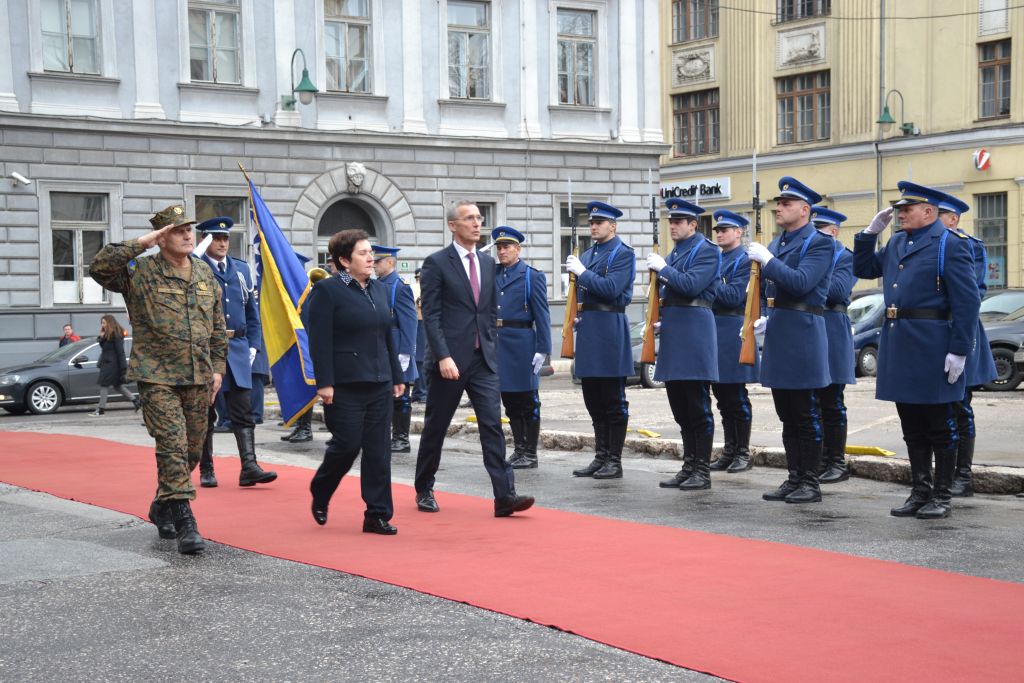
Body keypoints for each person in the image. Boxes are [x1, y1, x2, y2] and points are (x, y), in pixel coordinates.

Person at [90, 204, 227, 554]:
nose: (187, 235)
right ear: (162, 237)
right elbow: (99, 267)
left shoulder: (204, 273)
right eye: (177, 230)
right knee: (172, 444)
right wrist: (143, 242)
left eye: (188, 229)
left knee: (191, 451)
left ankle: (162, 505)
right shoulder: (140, 271)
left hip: (197, 376)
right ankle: (186, 522)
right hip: (157, 376)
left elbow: (217, 327)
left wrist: (217, 369)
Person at [853, 181, 980, 519]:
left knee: (939, 424)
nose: (900, 214)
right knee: (911, 424)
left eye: (906, 209)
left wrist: (959, 350)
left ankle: (942, 495)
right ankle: (920, 491)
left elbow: (967, 302)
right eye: (899, 209)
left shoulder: (949, 244)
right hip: (899, 341)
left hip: (932, 342)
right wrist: (869, 234)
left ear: (929, 212)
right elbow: (864, 269)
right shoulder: (897, 242)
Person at [414, 200, 535, 517]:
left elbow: (488, 311)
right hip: (450, 362)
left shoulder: (486, 263)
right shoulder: (436, 263)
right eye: (469, 218)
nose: (477, 223)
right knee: (436, 426)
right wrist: (442, 356)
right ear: (453, 225)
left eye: (479, 217)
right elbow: (431, 316)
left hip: (483, 361)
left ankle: (504, 496)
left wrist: (490, 346)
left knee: (492, 425)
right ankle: (424, 487)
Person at [308, 229, 404, 535]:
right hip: (345, 384)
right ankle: (322, 489)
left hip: (379, 381)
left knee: (378, 451)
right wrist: (325, 382)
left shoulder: (378, 289)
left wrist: (397, 375)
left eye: (370, 252)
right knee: (347, 445)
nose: (370, 257)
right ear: (344, 261)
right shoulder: (328, 290)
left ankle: (377, 514)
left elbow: (387, 335)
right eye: (363, 253)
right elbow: (319, 340)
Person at [745, 176, 834, 505]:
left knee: (805, 412)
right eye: (778, 203)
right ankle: (794, 476)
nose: (779, 208)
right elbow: (765, 287)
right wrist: (761, 313)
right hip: (780, 330)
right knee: (786, 413)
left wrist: (768, 262)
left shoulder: (820, 243)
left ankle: (810, 481)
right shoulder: (776, 243)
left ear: (805, 209)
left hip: (804, 332)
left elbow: (801, 283)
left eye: (786, 204)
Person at [196, 217, 277, 489]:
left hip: (238, 349)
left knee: (243, 411)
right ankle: (207, 468)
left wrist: (253, 345)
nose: (222, 243)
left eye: (225, 239)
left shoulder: (240, 269)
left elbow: (252, 312)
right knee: (206, 413)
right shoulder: (196, 268)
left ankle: (249, 466)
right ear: (205, 241)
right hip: (208, 350)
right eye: (216, 238)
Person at [646, 198, 720, 490]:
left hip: (695, 334)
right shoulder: (675, 253)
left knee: (697, 406)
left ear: (693, 224)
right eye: (671, 222)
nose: (673, 226)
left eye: (678, 222)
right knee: (680, 408)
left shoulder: (707, 250)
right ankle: (689, 466)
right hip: (676, 333)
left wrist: (663, 269)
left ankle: (702, 470)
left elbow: (691, 286)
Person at [567, 201, 636, 480]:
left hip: (609, 327)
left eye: (599, 223)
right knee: (593, 398)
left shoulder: (623, 253)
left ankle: (614, 460)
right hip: (589, 328)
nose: (593, 227)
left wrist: (582, 273)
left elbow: (610, 289)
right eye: (591, 223)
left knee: (612, 399)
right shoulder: (588, 253)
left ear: (613, 226)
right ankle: (601, 455)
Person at [937, 192, 996, 498]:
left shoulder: (968, 245)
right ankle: (944, 471)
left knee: (960, 405)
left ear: (953, 219)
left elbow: (973, 291)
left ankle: (963, 475)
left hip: (962, 328)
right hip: (934, 331)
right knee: (938, 407)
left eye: (939, 216)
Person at [492, 226, 551, 469]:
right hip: (499, 343)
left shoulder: (531, 276)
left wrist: (543, 348)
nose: (501, 251)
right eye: (498, 247)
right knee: (509, 401)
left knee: (528, 400)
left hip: (523, 343)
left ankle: (531, 452)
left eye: (506, 247)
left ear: (518, 249)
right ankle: (519, 449)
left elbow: (542, 315)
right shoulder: (493, 273)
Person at [705, 210, 758, 475]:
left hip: (732, 329)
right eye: (717, 230)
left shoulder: (745, 261)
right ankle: (729, 450)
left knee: (736, 396)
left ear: (739, 232)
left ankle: (743, 452)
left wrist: (708, 281)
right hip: (713, 328)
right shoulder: (718, 257)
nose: (719, 234)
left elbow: (733, 296)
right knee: (721, 397)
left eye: (725, 230)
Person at [811, 207, 856, 484]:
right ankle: (818, 460)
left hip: (832, 327)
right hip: (812, 325)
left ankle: (836, 462)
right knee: (812, 401)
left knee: (832, 400)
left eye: (822, 230)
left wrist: (811, 274)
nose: (816, 234)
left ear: (835, 232)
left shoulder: (844, 257)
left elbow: (838, 291)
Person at [372, 246, 418, 454]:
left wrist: (406, 352)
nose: (374, 265)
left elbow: (409, 322)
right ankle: (387, 435)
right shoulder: (375, 285)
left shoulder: (399, 287)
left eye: (378, 262)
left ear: (390, 262)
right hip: (379, 347)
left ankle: (401, 438)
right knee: (384, 395)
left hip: (397, 348)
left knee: (401, 396)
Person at [89, 314, 141, 416]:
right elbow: (105, 348)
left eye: (104, 323)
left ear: (110, 323)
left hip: (111, 365)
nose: (102, 325)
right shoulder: (108, 335)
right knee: (118, 386)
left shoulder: (116, 335)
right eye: (101, 323)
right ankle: (136, 401)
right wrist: (101, 337)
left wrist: (123, 368)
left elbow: (120, 352)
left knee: (104, 385)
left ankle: (101, 409)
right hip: (107, 364)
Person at [410, 268, 429, 403]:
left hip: (419, 324)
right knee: (419, 360)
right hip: (420, 324)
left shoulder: (414, 288)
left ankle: (420, 392)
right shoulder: (419, 289)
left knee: (419, 360)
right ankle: (420, 392)